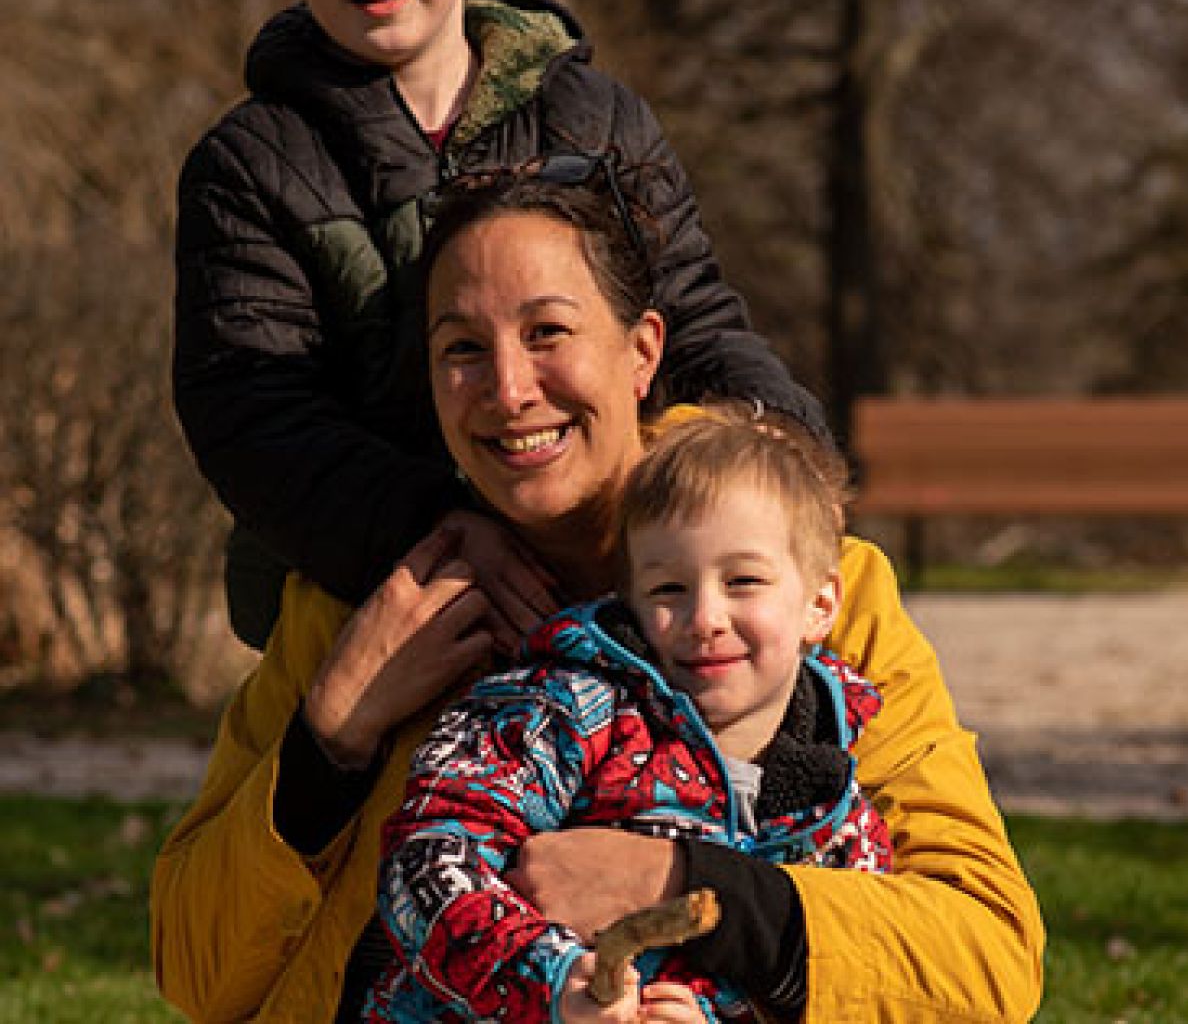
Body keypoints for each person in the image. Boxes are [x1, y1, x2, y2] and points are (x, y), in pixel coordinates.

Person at [151, 175, 1044, 1024]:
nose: (508, 391)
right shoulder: (363, 603)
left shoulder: (807, 587)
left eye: (548, 332)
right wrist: (329, 742)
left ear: (643, 350)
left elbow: (991, 959)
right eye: (462, 349)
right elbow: (195, 975)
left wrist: (681, 887)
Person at [171, 0, 824, 650]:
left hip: (601, 556)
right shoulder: (250, 163)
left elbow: (695, 316)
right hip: (382, 588)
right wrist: (437, 531)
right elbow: (252, 415)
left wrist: (784, 451)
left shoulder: (593, 119)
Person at [367, 407, 895, 1024]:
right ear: (631, 601)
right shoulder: (559, 712)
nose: (705, 618)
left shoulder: (834, 801)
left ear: (819, 604)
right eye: (669, 589)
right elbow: (427, 855)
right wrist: (553, 980)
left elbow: (836, 975)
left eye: (744, 581)